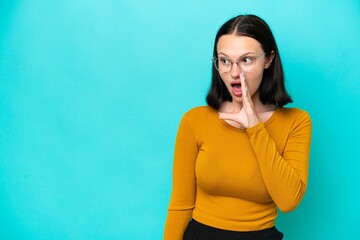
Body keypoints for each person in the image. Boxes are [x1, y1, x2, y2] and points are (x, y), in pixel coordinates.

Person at [164, 14, 312, 240]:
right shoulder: (195, 120)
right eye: (224, 60)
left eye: (246, 60)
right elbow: (180, 205)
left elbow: (288, 200)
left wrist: (255, 127)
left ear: (269, 59)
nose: (234, 73)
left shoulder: (296, 122)